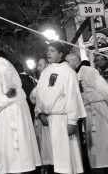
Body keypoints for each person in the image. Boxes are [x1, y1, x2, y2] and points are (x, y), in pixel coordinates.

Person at [0, 46, 41, 174]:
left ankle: (17, 169)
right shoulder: (1, 64)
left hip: (11, 110)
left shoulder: (1, 66)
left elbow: (11, 91)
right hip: (9, 108)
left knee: (15, 146)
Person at [35, 42, 86, 174]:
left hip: (62, 119)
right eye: (48, 50)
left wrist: (72, 121)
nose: (48, 53)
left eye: (52, 50)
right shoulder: (45, 71)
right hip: (46, 120)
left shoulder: (68, 71)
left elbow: (72, 96)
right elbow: (40, 94)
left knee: (66, 160)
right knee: (52, 160)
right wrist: (40, 112)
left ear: (60, 54)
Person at [66, 53, 108, 174]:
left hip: (98, 109)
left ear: (74, 61)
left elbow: (104, 88)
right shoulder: (74, 74)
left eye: (67, 63)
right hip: (88, 112)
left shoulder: (88, 71)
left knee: (102, 141)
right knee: (95, 144)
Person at [29, 58, 53, 174]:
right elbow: (33, 98)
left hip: (47, 116)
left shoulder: (50, 80)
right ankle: (45, 168)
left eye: (40, 65)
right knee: (42, 146)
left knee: (49, 146)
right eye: (38, 66)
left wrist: (41, 111)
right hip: (39, 117)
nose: (38, 68)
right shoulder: (39, 81)